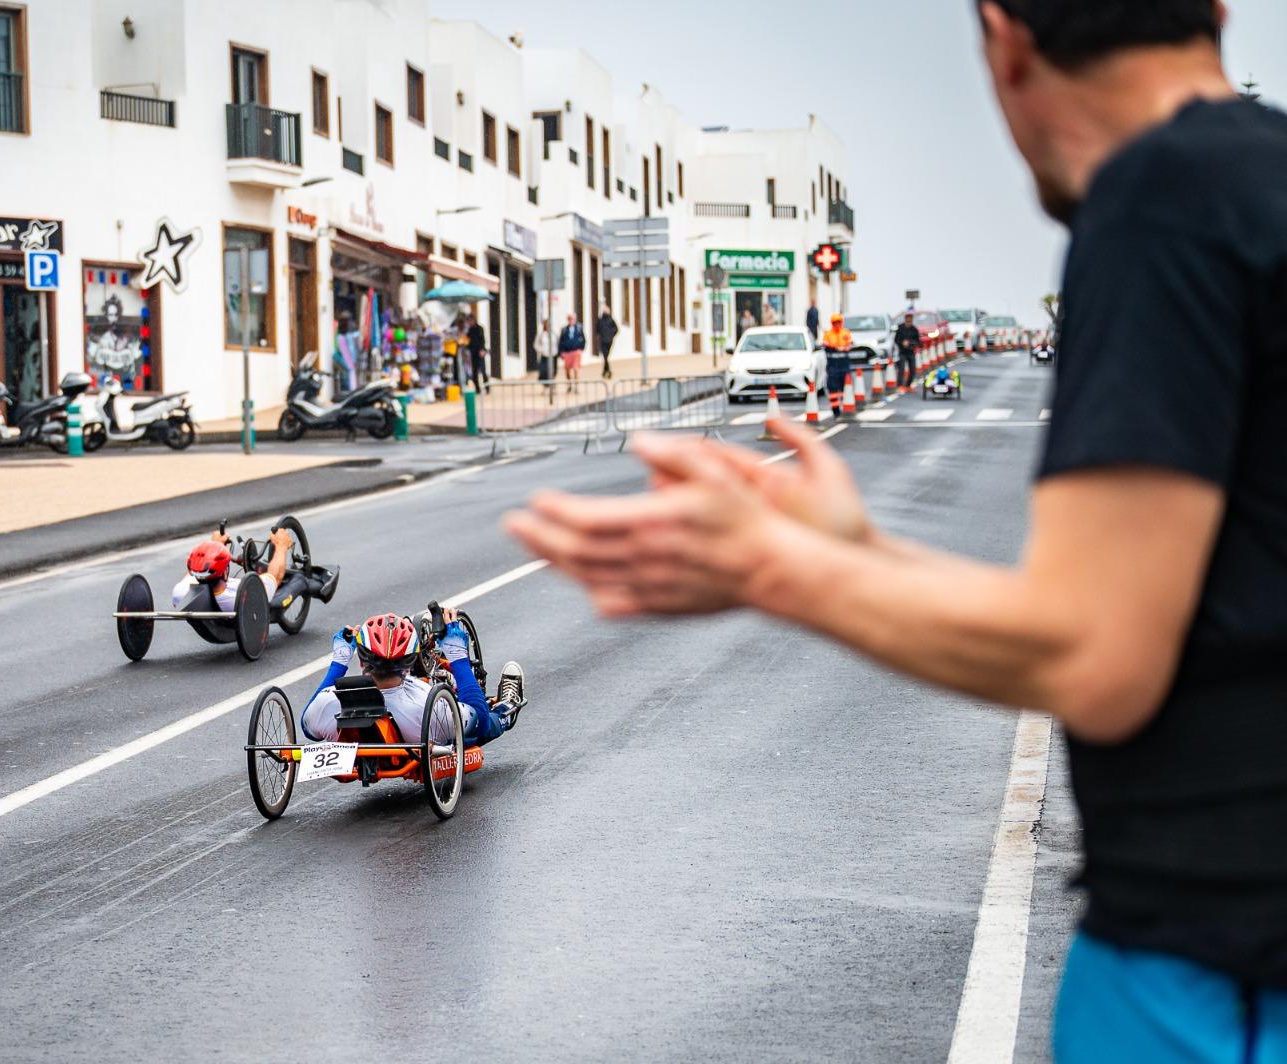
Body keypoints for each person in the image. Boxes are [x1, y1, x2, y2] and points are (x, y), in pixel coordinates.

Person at [507, 2, 1287, 1058]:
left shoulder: (1156, 197)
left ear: (1005, 38)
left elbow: (1097, 649)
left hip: (1215, 966)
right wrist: (856, 551)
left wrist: (775, 567)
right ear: (1214, 12)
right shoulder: (1263, 177)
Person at [301, 611, 524, 746]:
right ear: (408, 665)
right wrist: (458, 657)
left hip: (361, 728)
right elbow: (480, 721)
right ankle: (506, 709)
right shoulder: (431, 705)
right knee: (486, 724)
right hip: (419, 724)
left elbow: (308, 728)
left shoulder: (328, 703)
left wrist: (339, 662)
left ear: (361, 661)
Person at [171, 527, 295, 612]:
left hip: (229, 586)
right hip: (257, 598)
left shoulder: (182, 589)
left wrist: (214, 545)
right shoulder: (233, 599)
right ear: (224, 572)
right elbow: (275, 576)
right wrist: (281, 545)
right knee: (298, 582)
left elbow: (197, 569)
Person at [819, 313, 854, 417]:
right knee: (833, 387)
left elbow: (850, 343)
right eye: (835, 323)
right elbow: (825, 344)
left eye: (839, 322)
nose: (837, 324)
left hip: (844, 364)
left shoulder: (846, 333)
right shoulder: (828, 334)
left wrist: (844, 348)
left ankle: (846, 406)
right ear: (832, 323)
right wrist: (835, 347)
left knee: (845, 386)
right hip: (833, 365)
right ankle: (836, 411)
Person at [556, 313, 586, 393]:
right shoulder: (564, 330)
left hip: (576, 351)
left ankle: (576, 386)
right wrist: (561, 352)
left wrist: (581, 349)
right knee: (567, 370)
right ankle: (569, 385)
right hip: (567, 352)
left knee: (576, 369)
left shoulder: (579, 328)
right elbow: (561, 341)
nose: (571, 320)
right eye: (570, 319)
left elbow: (583, 339)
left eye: (572, 319)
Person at [893, 312, 922, 392]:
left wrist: (910, 343)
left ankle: (908, 385)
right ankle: (900, 385)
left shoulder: (914, 329)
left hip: (911, 352)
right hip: (902, 352)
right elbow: (896, 340)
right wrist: (902, 343)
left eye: (910, 320)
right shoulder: (900, 328)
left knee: (913, 370)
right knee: (901, 369)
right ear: (905, 319)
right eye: (907, 319)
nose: (909, 321)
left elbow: (918, 341)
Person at [465, 312, 489, 394]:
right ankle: (478, 389)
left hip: (480, 352)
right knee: (474, 371)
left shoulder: (480, 328)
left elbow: (483, 340)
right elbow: (467, 341)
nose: (469, 323)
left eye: (470, 321)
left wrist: (482, 349)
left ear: (473, 320)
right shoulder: (470, 330)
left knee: (483, 371)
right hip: (473, 353)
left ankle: (487, 388)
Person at [596, 304, 619, 380]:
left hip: (609, 340)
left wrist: (611, 335)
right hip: (602, 340)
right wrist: (599, 335)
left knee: (606, 356)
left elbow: (616, 329)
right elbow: (597, 328)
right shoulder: (600, 320)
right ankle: (608, 370)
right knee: (605, 356)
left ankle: (605, 370)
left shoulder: (611, 320)